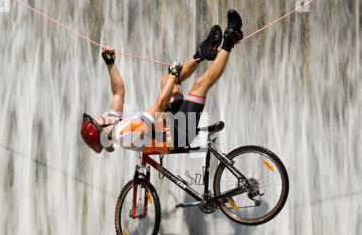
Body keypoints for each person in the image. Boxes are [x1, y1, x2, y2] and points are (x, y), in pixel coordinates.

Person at [81, 9, 243, 154]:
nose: (101, 115)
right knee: (199, 85)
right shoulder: (126, 135)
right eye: (99, 119)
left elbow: (118, 92)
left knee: (166, 82)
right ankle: (231, 37)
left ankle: (202, 54)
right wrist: (173, 75)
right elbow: (159, 105)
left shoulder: (114, 123)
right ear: (104, 129)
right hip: (180, 135)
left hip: (171, 123)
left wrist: (110, 63)